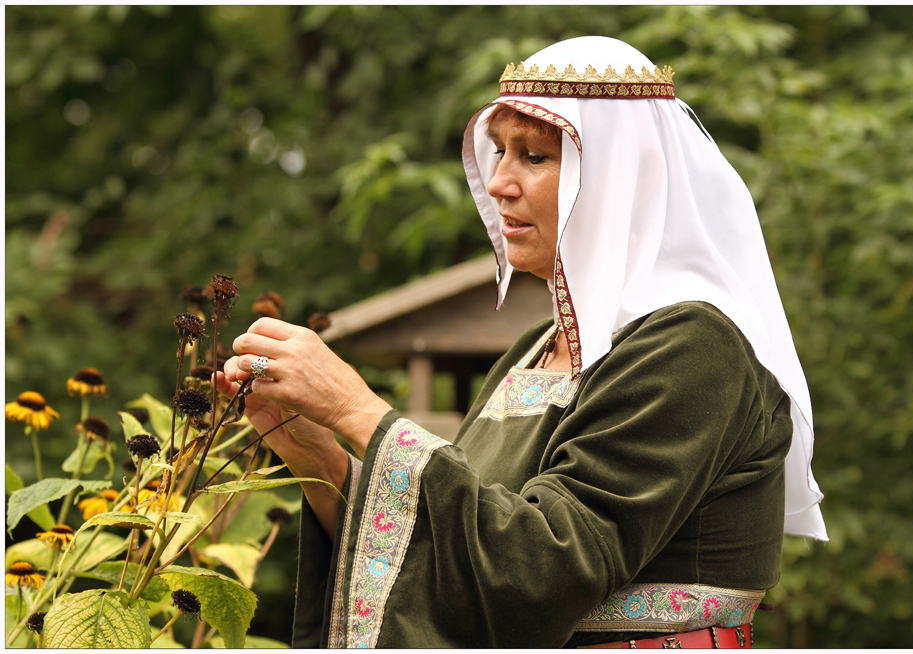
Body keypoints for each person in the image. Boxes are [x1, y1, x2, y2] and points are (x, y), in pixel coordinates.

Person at [217, 36, 827, 648]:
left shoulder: (693, 346)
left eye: (535, 155)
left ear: (623, 180)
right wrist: (319, 457)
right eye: (500, 151)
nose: (500, 180)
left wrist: (358, 407)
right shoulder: (533, 352)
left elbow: (543, 569)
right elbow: (463, 555)